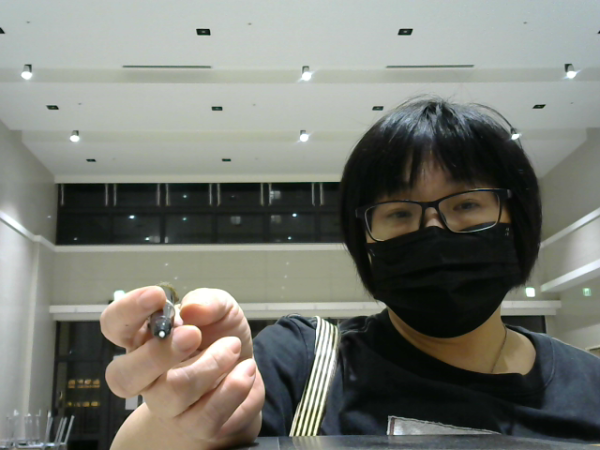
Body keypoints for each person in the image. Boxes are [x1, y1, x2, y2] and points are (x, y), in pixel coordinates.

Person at [100, 98, 600, 450]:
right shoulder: (305, 361)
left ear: (517, 219)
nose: (433, 230)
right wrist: (187, 423)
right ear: (365, 243)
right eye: (399, 213)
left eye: (466, 204)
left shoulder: (592, 386)